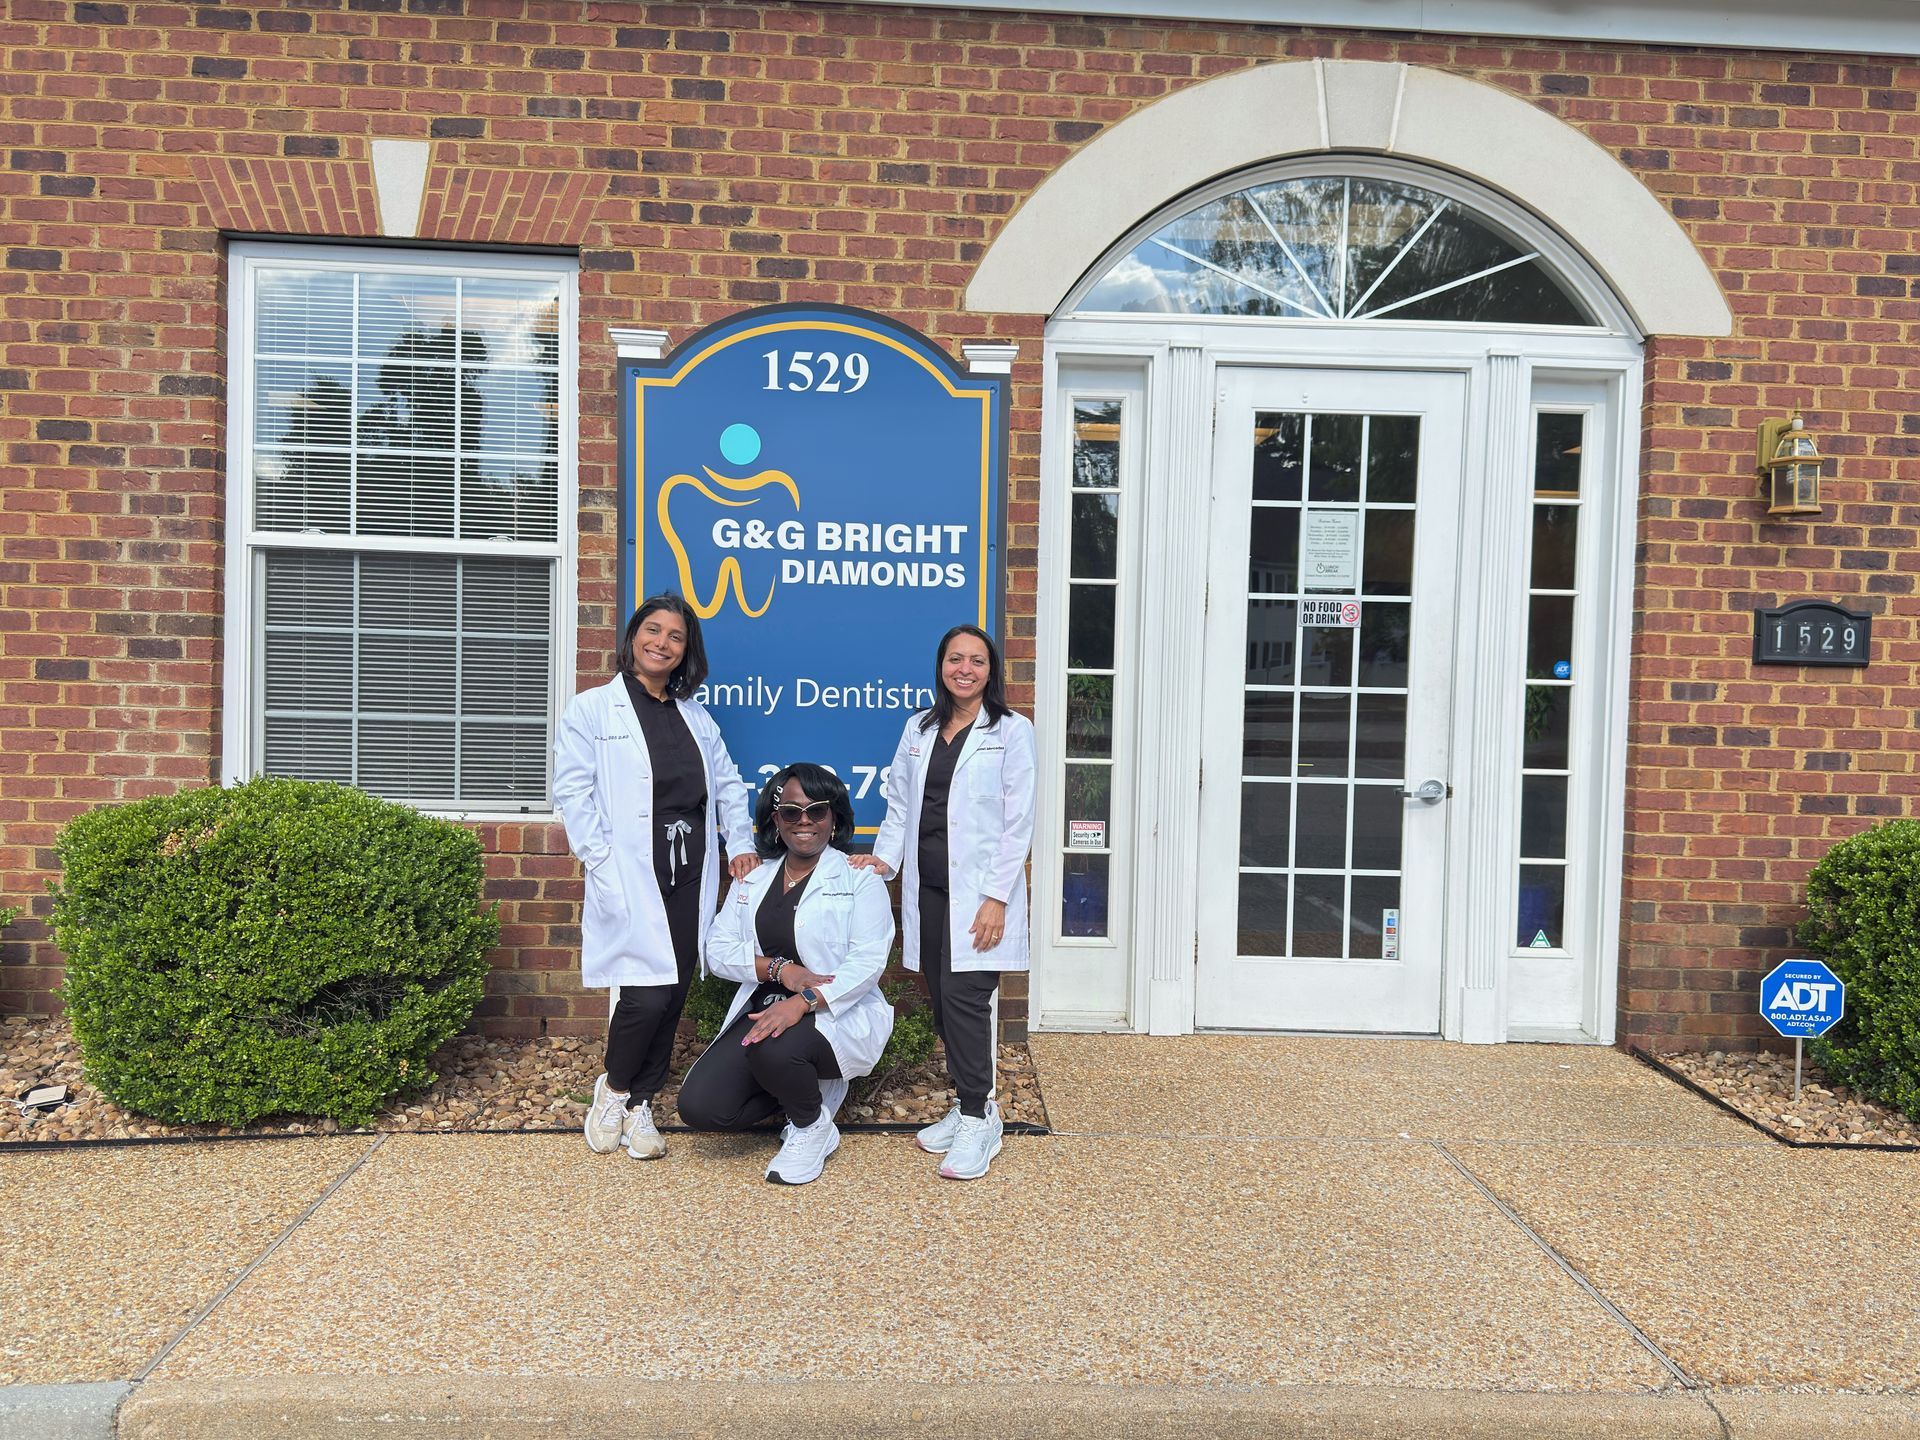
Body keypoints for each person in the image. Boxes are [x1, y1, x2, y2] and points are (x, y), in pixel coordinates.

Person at [552, 593, 759, 1161]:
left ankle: (643, 1102)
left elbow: (727, 785)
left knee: (674, 992)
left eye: (675, 636)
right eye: (653, 630)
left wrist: (740, 844)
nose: (661, 643)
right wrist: (599, 858)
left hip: (689, 870)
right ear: (633, 636)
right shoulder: (594, 709)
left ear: (686, 651)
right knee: (644, 994)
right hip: (629, 870)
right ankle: (616, 1089)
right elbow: (572, 791)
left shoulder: (696, 716)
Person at [854, 624, 1036, 1180]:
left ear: (990, 670)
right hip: (930, 890)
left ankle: (981, 1118)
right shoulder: (919, 728)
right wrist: (884, 863)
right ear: (941, 666)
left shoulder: (1011, 731)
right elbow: (900, 806)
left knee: (965, 1000)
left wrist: (997, 897)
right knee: (940, 999)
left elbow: (1018, 821)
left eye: (976, 661)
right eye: (955, 659)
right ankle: (966, 1104)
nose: (965, 669)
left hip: (979, 895)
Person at [677, 764, 895, 1185]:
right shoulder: (753, 878)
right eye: (792, 812)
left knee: (774, 1050)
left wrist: (802, 1002)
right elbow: (717, 950)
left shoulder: (859, 879)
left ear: (834, 819)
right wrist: (779, 969)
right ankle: (802, 1090)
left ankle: (811, 1126)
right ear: (776, 821)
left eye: (817, 811)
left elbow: (869, 961)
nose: (804, 821)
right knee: (702, 1108)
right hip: (763, 1006)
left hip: (833, 1010)